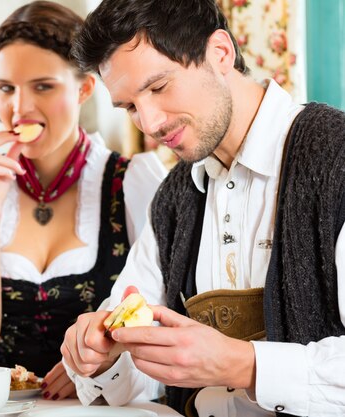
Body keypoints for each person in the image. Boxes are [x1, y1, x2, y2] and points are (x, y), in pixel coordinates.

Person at [60, 0, 345, 415]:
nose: (151, 123)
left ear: (220, 54)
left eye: (158, 87)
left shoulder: (336, 159)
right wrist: (105, 357)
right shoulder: (174, 197)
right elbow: (135, 383)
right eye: (130, 107)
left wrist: (241, 365)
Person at [0, 0, 167, 401]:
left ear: (85, 88)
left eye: (43, 86)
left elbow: (156, 323)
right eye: (5, 89)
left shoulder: (133, 184)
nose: (20, 109)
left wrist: (94, 369)